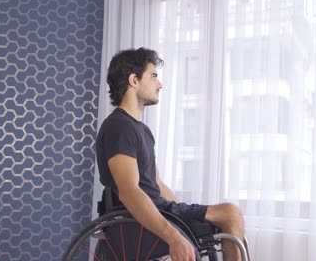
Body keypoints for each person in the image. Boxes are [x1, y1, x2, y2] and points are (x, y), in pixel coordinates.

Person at [96, 47, 245, 261]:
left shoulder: (141, 130)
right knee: (229, 214)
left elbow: (156, 183)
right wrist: (175, 237)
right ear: (133, 80)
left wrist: (182, 211)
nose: (160, 84)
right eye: (154, 76)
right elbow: (129, 191)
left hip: (160, 206)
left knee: (231, 215)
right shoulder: (119, 127)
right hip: (131, 222)